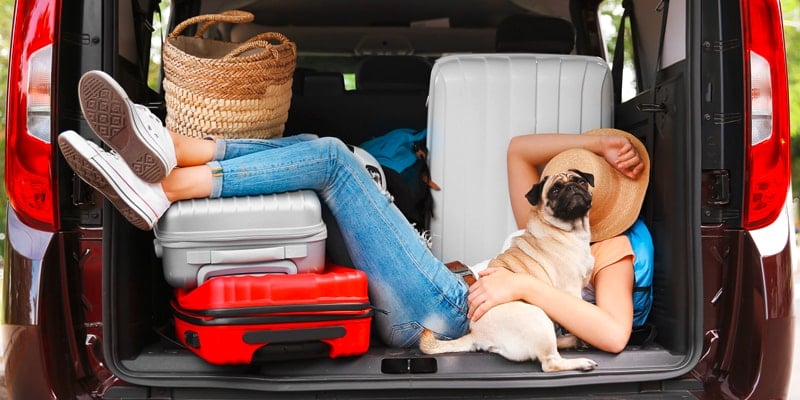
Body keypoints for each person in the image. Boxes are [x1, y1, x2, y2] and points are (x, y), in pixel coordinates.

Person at [59, 70, 650, 353]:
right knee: (327, 157)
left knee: (335, 161)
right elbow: (519, 150)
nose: (569, 184)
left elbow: (614, 335)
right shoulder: (541, 221)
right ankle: (171, 159)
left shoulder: (609, 249)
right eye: (566, 175)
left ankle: (168, 178)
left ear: (610, 203)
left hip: (446, 315)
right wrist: (596, 142)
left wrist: (524, 283)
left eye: (586, 181)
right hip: (435, 286)